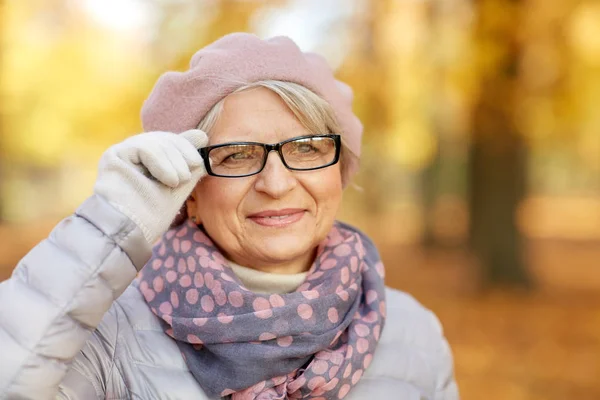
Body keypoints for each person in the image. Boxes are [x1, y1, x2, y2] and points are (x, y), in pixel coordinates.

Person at [0, 33, 458, 400]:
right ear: (190, 195)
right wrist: (108, 225)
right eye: (237, 155)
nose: (276, 184)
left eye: (306, 148)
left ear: (338, 173)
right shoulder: (110, 332)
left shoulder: (412, 332)